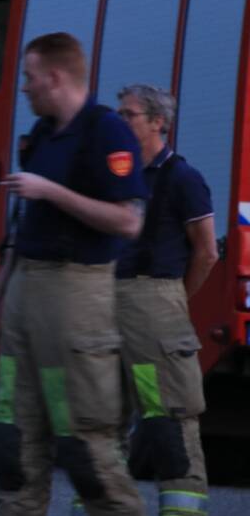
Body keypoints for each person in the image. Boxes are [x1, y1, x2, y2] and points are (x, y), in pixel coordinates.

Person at [0, 32, 147, 515]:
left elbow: (128, 220)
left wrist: (51, 191)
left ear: (55, 77)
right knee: (12, 436)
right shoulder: (43, 137)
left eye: (29, 78)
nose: (25, 88)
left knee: (82, 441)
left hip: (74, 297)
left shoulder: (106, 132)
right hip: (25, 295)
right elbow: (23, 226)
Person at [114, 84, 216, 516]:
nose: (120, 122)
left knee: (168, 418)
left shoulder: (182, 177)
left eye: (129, 115)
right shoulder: (118, 173)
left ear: (158, 121)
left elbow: (207, 251)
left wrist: (174, 297)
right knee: (101, 419)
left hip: (154, 301)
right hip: (105, 302)